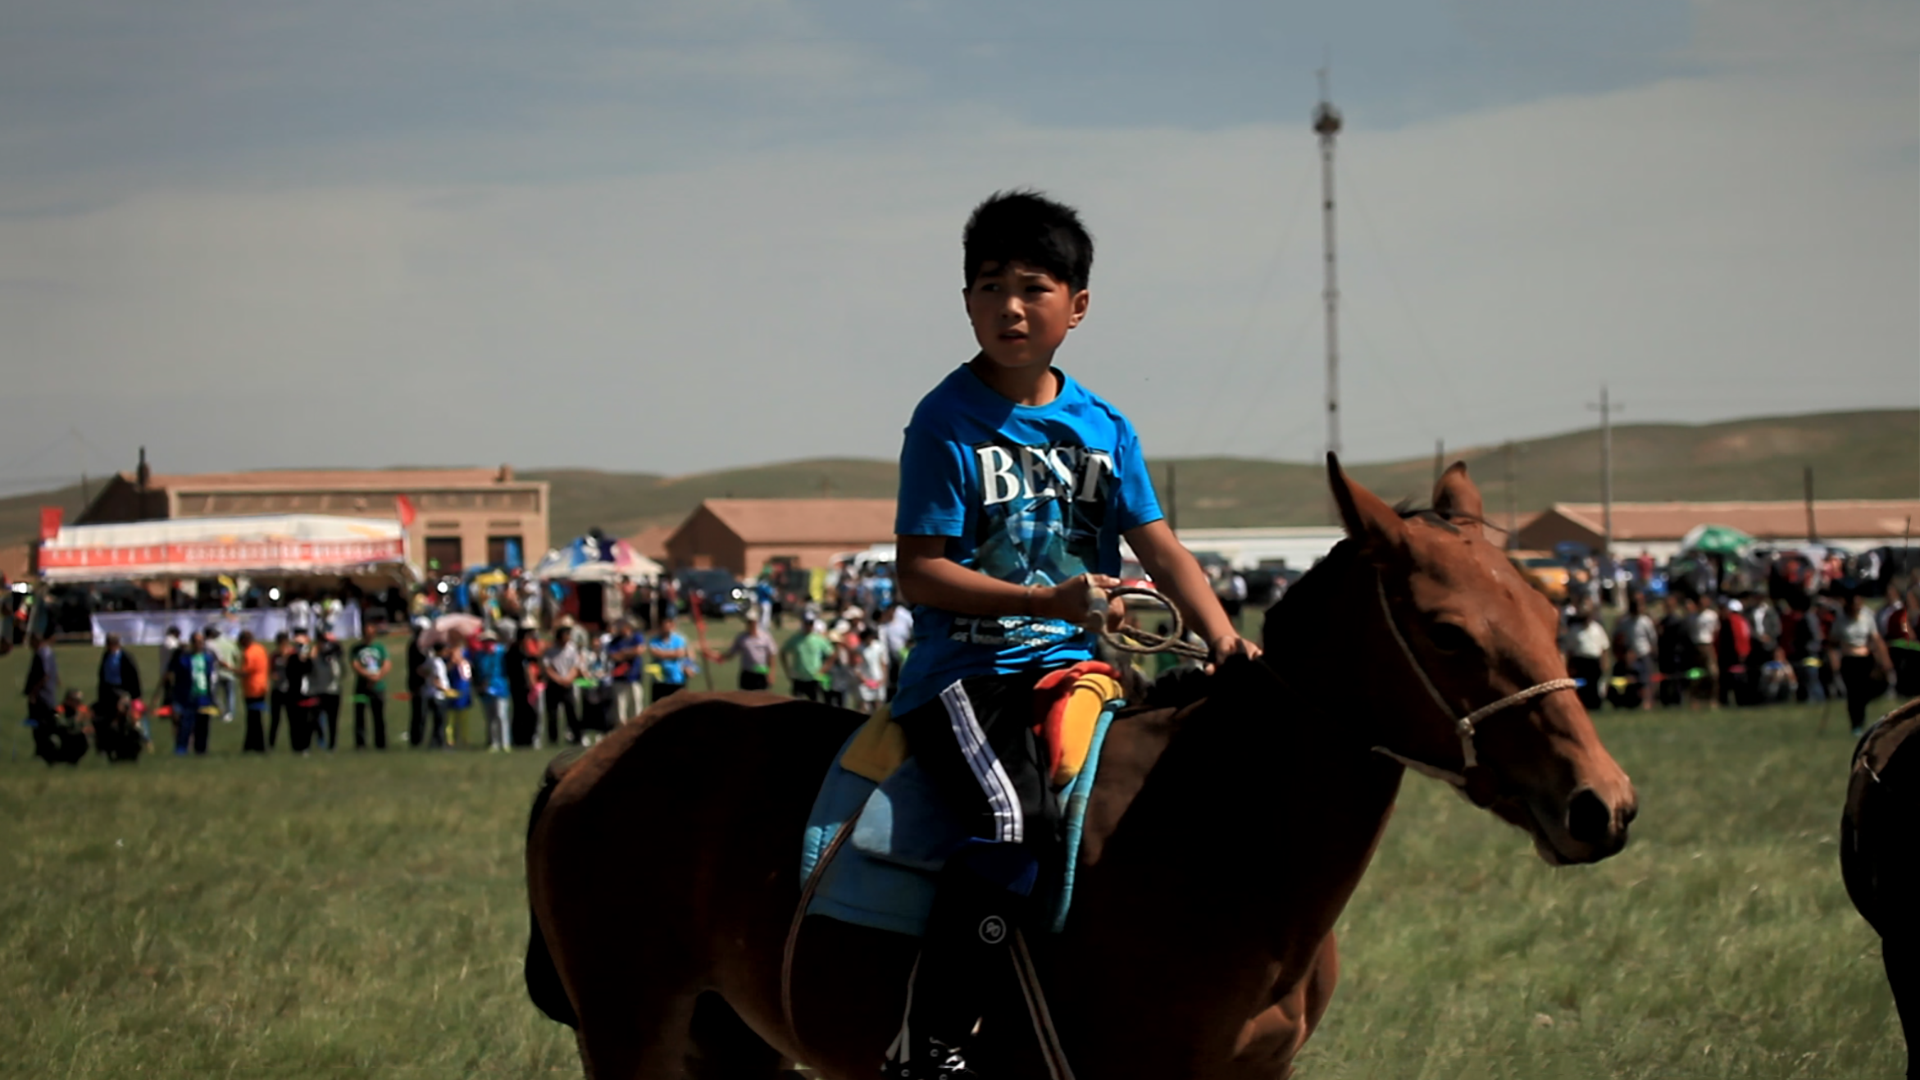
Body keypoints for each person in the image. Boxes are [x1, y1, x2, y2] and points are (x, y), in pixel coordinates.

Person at [879, 190, 1258, 1077]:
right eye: (987, 287)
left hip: (1081, 670)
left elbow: (1165, 555)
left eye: (1033, 287)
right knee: (1013, 818)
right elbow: (918, 572)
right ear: (966, 301)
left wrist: (1226, 642)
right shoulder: (945, 422)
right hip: (968, 675)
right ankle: (929, 1042)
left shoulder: (1104, 426)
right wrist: (1046, 602)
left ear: (1076, 306)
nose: (1009, 307)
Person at [1829, 586, 1894, 736]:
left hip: (1865, 659)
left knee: (1868, 689)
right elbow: (1832, 642)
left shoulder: (1867, 616)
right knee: (1853, 693)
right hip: (1849, 659)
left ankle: (1861, 712)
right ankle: (1856, 724)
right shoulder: (1841, 620)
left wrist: (1884, 658)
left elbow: (1875, 638)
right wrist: (1834, 659)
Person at [168, 630, 220, 755]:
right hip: (188, 697)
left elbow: (211, 677)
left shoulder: (208, 658)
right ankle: (181, 749)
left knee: (203, 726)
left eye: (201, 642)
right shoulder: (184, 659)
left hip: (204, 697)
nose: (199, 644)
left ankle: (201, 750)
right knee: (185, 725)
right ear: (192, 643)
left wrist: (212, 696)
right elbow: (176, 678)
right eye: (196, 642)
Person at [1610, 594, 1658, 711]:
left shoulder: (1646, 622)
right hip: (1629, 656)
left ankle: (1647, 702)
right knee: (1628, 681)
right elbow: (1617, 637)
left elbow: (1652, 639)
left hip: (1643, 654)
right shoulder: (1625, 622)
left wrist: (1653, 653)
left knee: (1645, 680)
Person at [1561, 603, 1610, 709]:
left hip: (1594, 660)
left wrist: (1604, 662)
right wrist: (1570, 664)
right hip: (1580, 661)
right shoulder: (1575, 630)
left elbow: (1604, 647)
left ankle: (1596, 705)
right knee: (1582, 685)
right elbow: (1570, 649)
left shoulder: (1597, 628)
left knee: (1594, 684)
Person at [714, 610, 778, 691]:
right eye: (749, 622)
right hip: (747, 674)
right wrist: (717, 656)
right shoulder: (742, 638)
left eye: (752, 622)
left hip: (761, 673)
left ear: (756, 622)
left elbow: (771, 654)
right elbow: (731, 653)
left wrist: (771, 673)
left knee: (761, 699)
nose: (751, 624)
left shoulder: (765, 637)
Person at [351, 623, 390, 750]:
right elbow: (355, 664)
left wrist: (378, 676)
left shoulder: (380, 647)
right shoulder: (356, 649)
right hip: (361, 687)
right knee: (360, 716)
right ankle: (360, 744)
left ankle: (381, 743)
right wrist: (367, 675)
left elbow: (387, 663)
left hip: (378, 687)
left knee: (379, 716)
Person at [542, 622, 582, 745]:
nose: (568, 637)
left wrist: (568, 678)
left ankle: (576, 737)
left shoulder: (572, 649)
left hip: (568, 684)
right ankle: (553, 739)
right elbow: (547, 667)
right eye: (566, 635)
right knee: (552, 714)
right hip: (554, 685)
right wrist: (558, 679)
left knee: (571, 712)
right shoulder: (550, 650)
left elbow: (576, 666)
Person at [474, 629, 511, 752]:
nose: (488, 643)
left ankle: (505, 743)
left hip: (500, 687)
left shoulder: (501, 652)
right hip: (486, 688)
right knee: (490, 717)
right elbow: (477, 672)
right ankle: (493, 742)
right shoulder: (479, 655)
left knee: (501, 716)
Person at [780, 618, 831, 701]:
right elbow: (783, 652)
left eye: (810, 624)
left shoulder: (818, 639)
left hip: (814, 677)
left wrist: (825, 668)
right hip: (798, 677)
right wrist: (787, 669)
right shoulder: (795, 639)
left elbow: (831, 653)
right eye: (807, 624)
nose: (808, 627)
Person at [644, 615, 690, 705]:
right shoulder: (654, 640)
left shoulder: (679, 639)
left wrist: (663, 653)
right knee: (658, 707)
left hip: (677, 679)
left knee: (678, 706)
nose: (667, 627)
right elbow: (655, 653)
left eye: (670, 624)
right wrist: (673, 654)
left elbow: (681, 653)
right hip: (659, 680)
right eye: (665, 625)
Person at [608, 619, 647, 723]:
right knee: (620, 706)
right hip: (620, 678)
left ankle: (637, 726)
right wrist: (631, 652)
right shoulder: (614, 641)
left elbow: (640, 650)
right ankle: (622, 728)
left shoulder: (637, 637)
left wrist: (624, 653)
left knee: (637, 704)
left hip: (635, 676)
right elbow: (614, 657)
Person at [311, 631, 345, 750]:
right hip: (319, 691)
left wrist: (333, 658)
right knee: (315, 718)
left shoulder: (334, 659)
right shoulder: (315, 657)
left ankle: (332, 744)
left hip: (333, 691)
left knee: (333, 720)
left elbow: (338, 674)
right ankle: (320, 740)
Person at [239, 630, 271, 753]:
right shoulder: (260, 649)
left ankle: (258, 746)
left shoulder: (249, 653)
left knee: (253, 719)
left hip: (252, 689)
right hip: (262, 686)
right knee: (255, 718)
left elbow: (245, 672)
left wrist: (229, 668)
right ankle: (250, 744)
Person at [417, 639, 451, 750]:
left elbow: (420, 670)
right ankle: (439, 743)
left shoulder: (431, 660)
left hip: (430, 693)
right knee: (440, 721)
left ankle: (434, 742)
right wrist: (446, 690)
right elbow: (437, 680)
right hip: (438, 695)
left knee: (437, 721)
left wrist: (428, 676)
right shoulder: (437, 663)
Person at [204, 625, 240, 725]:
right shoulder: (229, 642)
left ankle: (219, 709)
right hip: (229, 672)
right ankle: (230, 714)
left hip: (217, 672)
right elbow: (237, 656)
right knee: (230, 695)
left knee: (213, 694)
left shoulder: (212, 644)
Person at [405, 617, 431, 747]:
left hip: (421, 682)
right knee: (419, 712)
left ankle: (420, 738)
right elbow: (417, 667)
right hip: (418, 683)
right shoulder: (416, 645)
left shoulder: (422, 644)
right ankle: (416, 739)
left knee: (422, 712)